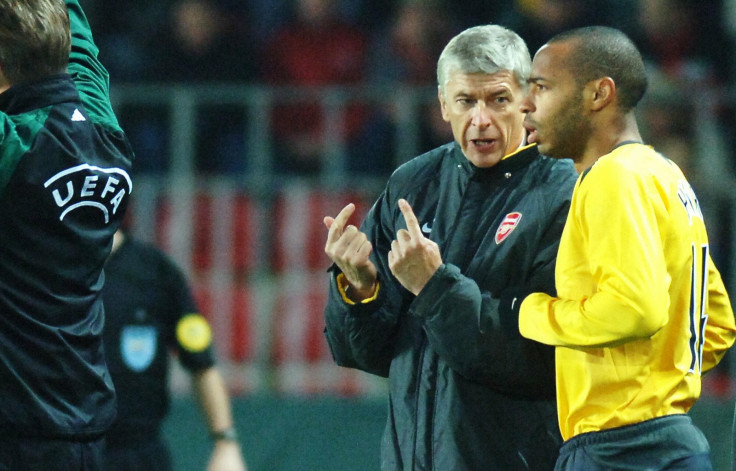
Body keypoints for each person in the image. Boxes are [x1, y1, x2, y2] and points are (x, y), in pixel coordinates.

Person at [322, 24, 579, 470]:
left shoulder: (564, 194)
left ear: (527, 100)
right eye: (465, 101)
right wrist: (361, 292)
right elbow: (363, 354)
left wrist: (435, 287)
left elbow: (538, 358)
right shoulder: (411, 184)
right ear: (443, 104)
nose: (481, 119)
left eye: (498, 99)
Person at [516, 26, 736, 470]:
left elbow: (633, 308)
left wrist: (531, 312)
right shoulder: (666, 175)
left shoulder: (613, 177)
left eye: (542, 87)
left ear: (599, 94)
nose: (526, 103)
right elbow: (717, 323)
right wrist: (657, 383)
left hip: (618, 452)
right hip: (676, 443)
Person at [0, 0, 134, 469]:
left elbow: (76, 45)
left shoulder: (13, 144)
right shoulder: (105, 132)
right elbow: (80, 51)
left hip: (16, 429)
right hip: (84, 423)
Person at [102, 229, 248, 471]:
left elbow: (201, 364)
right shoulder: (47, 267)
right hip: (58, 453)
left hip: (138, 455)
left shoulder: (156, 271)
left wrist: (226, 444)